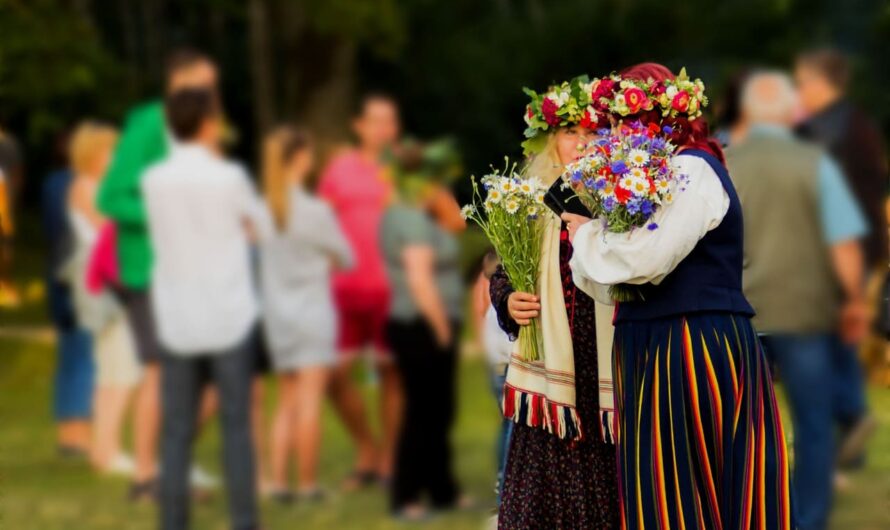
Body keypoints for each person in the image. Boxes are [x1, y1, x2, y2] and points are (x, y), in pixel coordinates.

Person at [565, 63, 793, 530]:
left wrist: (588, 235)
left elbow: (645, 260)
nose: (612, 134)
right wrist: (595, 231)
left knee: (693, 484)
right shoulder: (638, 182)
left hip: (693, 340)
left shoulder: (692, 169)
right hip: (646, 340)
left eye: (621, 122)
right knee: (660, 487)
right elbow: (608, 282)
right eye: (611, 124)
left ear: (653, 118)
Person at [726, 71, 868, 530]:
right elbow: (843, 243)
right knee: (813, 425)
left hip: (741, 312)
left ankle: (751, 513)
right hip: (806, 312)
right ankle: (806, 518)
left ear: (748, 112)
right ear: (790, 111)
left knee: (743, 426)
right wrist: (853, 301)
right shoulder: (816, 163)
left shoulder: (724, 163)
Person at [489, 75, 620, 528]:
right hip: (550, 371)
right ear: (551, 141)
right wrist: (509, 301)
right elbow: (503, 274)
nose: (582, 143)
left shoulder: (624, 198)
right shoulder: (530, 202)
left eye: (592, 133)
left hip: (607, 364)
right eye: (570, 132)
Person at [97, 48, 220, 500]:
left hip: (190, 267)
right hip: (148, 268)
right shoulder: (148, 122)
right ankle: (146, 477)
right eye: (205, 84)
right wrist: (164, 213)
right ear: (178, 81)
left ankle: (171, 467)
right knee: (161, 372)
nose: (213, 93)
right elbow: (111, 197)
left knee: (208, 375)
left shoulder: (201, 129)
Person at [142, 88, 268, 530]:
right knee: (236, 425)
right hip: (227, 312)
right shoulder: (229, 176)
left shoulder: (154, 179)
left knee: (177, 429)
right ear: (209, 123)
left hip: (177, 313)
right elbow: (260, 227)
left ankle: (172, 521)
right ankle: (244, 520)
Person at [795, 48, 884, 464]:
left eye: (802, 82)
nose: (799, 92)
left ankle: (849, 415)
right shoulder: (855, 124)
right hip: (853, 247)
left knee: (825, 338)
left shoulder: (824, 130)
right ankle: (849, 432)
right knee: (837, 338)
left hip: (834, 250)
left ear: (821, 82)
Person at [260, 126, 354, 502]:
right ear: (299, 158)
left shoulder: (262, 209)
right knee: (309, 401)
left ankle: (279, 483)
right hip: (312, 314)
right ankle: (308, 484)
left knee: (286, 402)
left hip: (277, 316)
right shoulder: (316, 211)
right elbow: (346, 256)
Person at [317, 93, 401, 487]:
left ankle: (387, 460)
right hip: (342, 290)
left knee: (391, 373)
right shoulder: (339, 168)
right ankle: (366, 446)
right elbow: (319, 221)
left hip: (392, 290)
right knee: (332, 374)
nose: (382, 129)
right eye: (375, 120)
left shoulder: (406, 169)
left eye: (389, 121)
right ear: (359, 125)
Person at [379, 166, 467, 520]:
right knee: (422, 410)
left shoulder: (421, 216)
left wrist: (441, 200)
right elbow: (419, 280)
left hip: (426, 323)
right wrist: (441, 328)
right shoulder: (410, 219)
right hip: (422, 323)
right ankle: (407, 496)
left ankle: (442, 490)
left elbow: (458, 223)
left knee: (439, 409)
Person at [63, 122, 144, 475]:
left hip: (107, 284)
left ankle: (104, 448)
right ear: (93, 154)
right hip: (105, 286)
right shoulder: (85, 187)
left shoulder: (94, 187)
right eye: (112, 151)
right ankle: (108, 450)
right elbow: (110, 229)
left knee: (111, 370)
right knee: (122, 370)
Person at [41, 133, 94, 458]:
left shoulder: (51, 183)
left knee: (68, 357)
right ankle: (81, 435)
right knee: (85, 355)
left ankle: (67, 434)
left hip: (56, 270)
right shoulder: (81, 184)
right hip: (79, 271)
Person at [470, 251, 513, 508]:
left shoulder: (486, 289)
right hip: (506, 364)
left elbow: (478, 310)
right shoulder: (503, 293)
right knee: (512, 426)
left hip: (495, 364)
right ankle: (504, 484)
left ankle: (501, 479)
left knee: (506, 424)